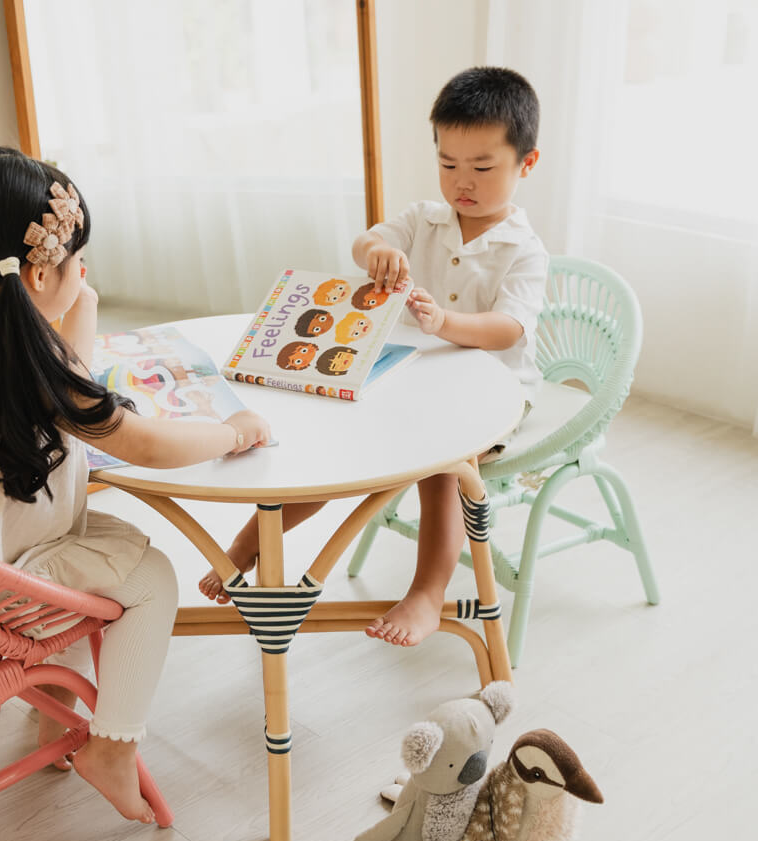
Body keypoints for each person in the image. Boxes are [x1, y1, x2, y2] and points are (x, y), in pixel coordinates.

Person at [0, 149, 271, 823]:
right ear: (38, 274)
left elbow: (69, 376)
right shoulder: (24, 370)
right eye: (75, 264)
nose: (82, 275)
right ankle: (111, 750)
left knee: (85, 552)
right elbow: (144, 441)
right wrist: (233, 432)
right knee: (151, 576)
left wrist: (78, 303)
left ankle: (51, 718)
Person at [199, 66, 546, 649]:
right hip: (409, 378)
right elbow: (365, 241)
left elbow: (510, 328)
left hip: (488, 395)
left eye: (483, 168)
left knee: (441, 467)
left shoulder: (524, 250)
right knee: (337, 447)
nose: (462, 182)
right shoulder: (423, 219)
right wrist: (379, 251)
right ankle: (251, 542)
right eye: (448, 164)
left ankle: (428, 593)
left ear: (525, 164)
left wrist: (448, 322)